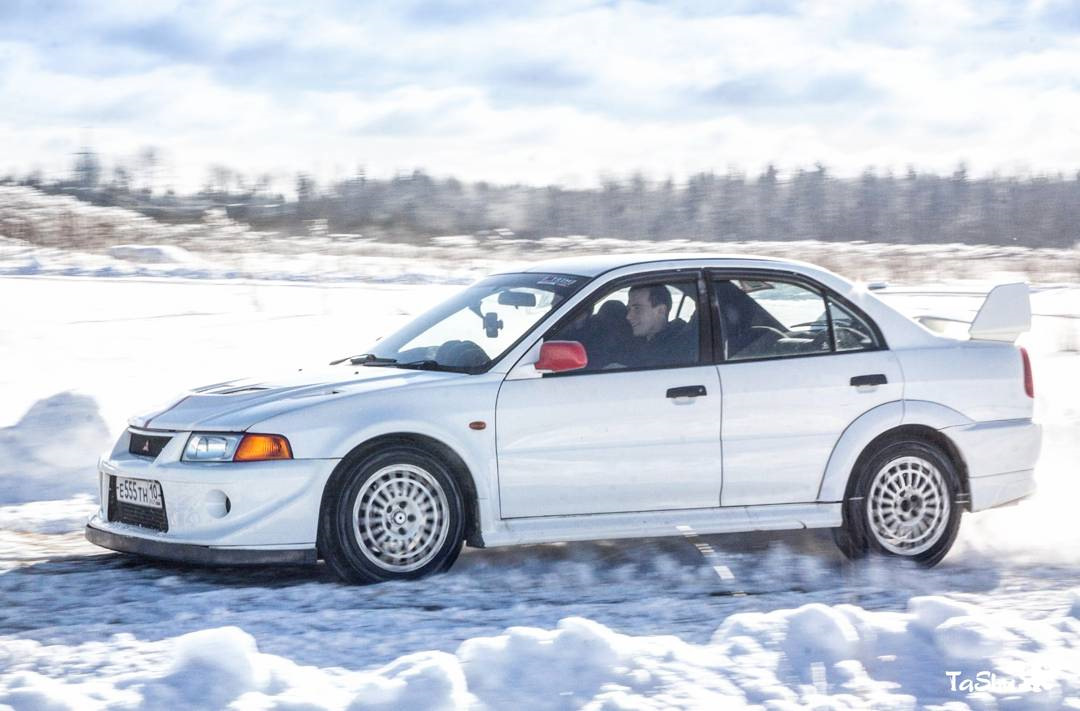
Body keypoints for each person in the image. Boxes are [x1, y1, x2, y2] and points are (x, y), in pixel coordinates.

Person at [622, 284, 696, 367]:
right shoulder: (634, 341)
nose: (628, 316)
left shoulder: (679, 347)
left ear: (661, 310)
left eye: (637, 308)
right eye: (628, 309)